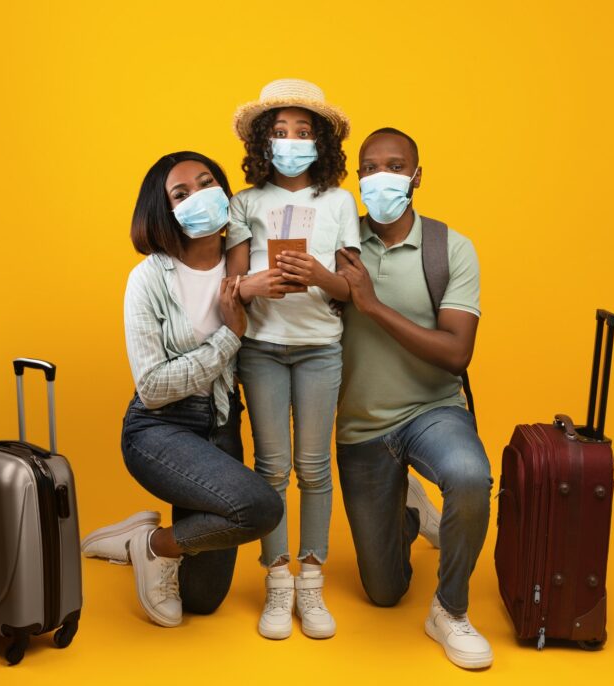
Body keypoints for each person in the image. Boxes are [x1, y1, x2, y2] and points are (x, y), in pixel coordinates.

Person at [80, 151, 283, 628]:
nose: (198, 196)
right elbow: (151, 387)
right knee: (260, 508)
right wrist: (228, 336)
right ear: (164, 210)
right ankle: (153, 547)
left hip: (220, 424)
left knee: (203, 600)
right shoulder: (148, 279)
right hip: (159, 429)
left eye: (206, 182)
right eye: (181, 193)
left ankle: (149, 541)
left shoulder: (246, 262)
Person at [335, 128, 495, 669]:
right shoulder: (339, 244)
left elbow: (456, 353)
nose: (381, 177)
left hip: (433, 410)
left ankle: (450, 611)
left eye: (395, 165)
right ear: (357, 178)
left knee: (470, 476)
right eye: (369, 167)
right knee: (383, 592)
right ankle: (409, 510)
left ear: (417, 177)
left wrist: (372, 305)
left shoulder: (449, 248)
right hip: (361, 429)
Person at [224, 79, 360, 640]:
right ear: (263, 142)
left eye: (303, 132)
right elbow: (230, 285)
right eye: (280, 133)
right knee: (271, 469)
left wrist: (321, 277)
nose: (291, 141)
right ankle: (277, 581)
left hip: (320, 349)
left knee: (315, 468)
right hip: (261, 350)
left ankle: (312, 577)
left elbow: (353, 287)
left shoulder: (338, 202)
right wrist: (256, 283)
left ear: (321, 141)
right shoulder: (245, 201)